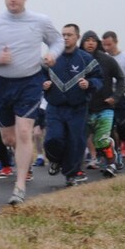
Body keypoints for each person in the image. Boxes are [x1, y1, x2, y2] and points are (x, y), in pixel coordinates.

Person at [0, 0, 64, 205]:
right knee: (8, 138)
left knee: (25, 132)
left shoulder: (39, 20)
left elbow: (57, 41)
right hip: (2, 85)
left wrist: (52, 54)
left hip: (30, 83)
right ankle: (21, 158)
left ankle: (19, 186)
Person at [42, 24, 102, 187]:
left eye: (69, 34)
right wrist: (43, 83)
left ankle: (71, 174)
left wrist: (89, 83)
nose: (66, 37)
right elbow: (39, 76)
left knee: (75, 141)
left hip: (78, 107)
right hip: (55, 107)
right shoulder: (52, 58)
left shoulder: (86, 59)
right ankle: (54, 159)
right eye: (63, 35)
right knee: (53, 138)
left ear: (77, 37)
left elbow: (99, 79)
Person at [80, 30, 124, 178]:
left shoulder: (106, 60)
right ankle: (76, 167)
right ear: (82, 42)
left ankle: (111, 164)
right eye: (87, 40)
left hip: (105, 106)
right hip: (84, 107)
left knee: (102, 139)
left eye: (93, 40)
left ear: (97, 43)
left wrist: (115, 97)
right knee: (82, 138)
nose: (90, 43)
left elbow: (120, 78)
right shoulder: (77, 59)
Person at [101, 31, 125, 167]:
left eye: (109, 44)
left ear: (116, 42)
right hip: (108, 97)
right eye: (104, 45)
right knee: (109, 128)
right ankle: (115, 159)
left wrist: (117, 81)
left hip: (124, 96)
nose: (106, 48)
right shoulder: (104, 59)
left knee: (123, 127)